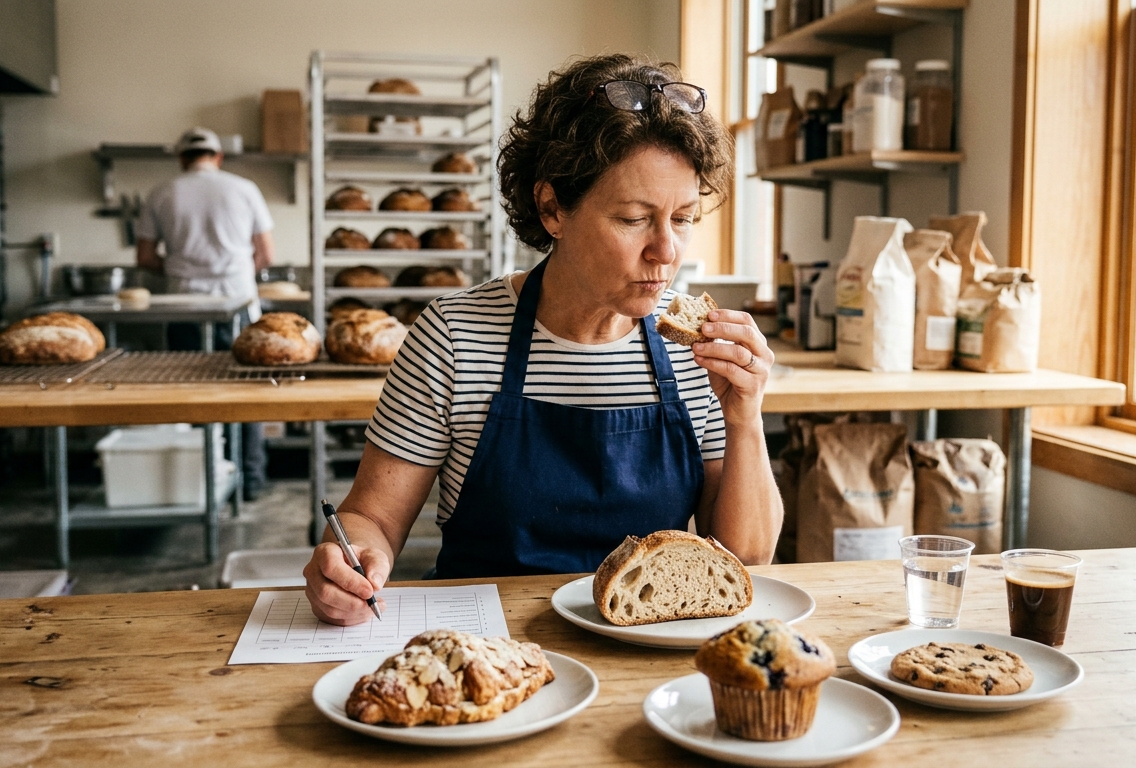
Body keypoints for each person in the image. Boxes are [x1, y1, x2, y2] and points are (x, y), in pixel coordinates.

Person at [304, 54, 783, 625]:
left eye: (682, 219)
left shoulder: (694, 355)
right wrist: (351, 559)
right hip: (485, 649)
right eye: (634, 219)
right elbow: (373, 520)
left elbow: (748, 555)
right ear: (552, 207)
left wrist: (745, 417)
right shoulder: (454, 335)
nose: (667, 251)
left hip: (647, 649)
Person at [134, 127, 274, 500]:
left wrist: (185, 271)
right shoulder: (244, 189)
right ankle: (251, 481)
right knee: (247, 394)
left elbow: (145, 258)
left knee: (193, 393)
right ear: (218, 157)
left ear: (182, 159)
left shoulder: (163, 192)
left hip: (183, 305)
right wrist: (236, 271)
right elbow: (266, 254)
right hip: (238, 304)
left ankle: (204, 482)